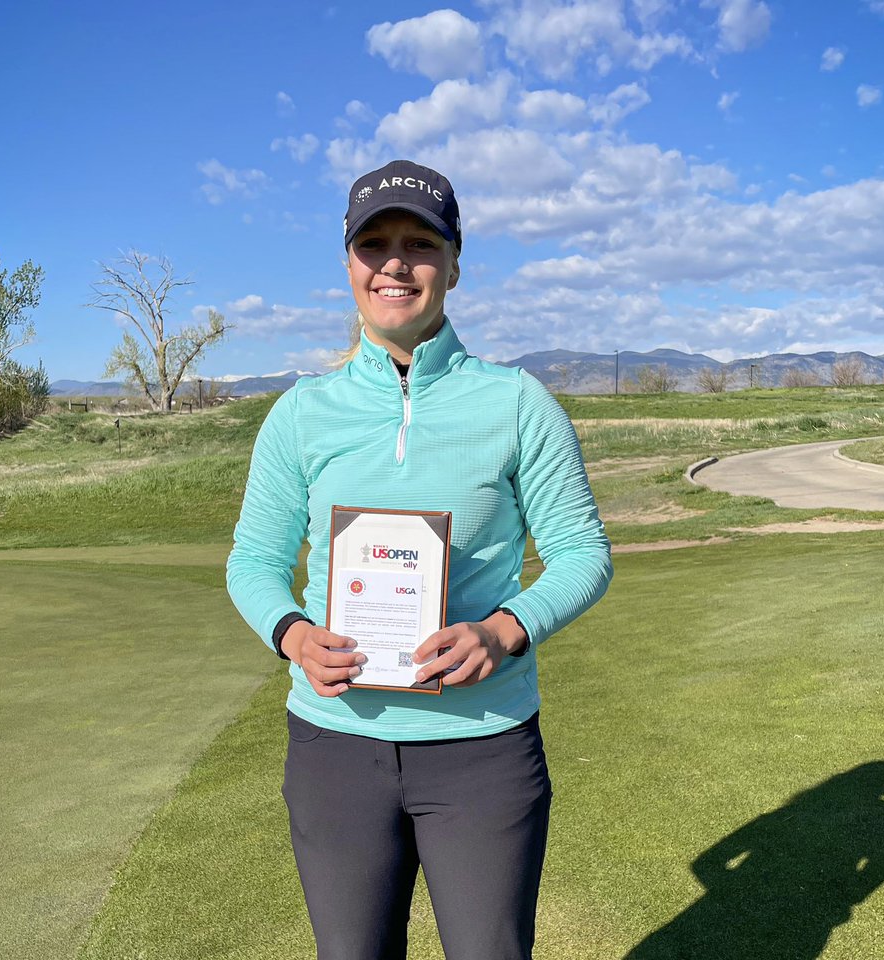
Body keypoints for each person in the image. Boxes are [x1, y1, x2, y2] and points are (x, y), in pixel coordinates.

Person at [226, 159, 612, 960]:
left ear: (455, 263)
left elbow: (582, 554)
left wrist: (504, 631)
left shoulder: (516, 402)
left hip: (484, 747)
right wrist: (294, 636)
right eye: (375, 244)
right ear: (349, 265)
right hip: (336, 744)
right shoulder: (301, 413)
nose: (395, 263)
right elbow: (254, 562)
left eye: (419, 243)